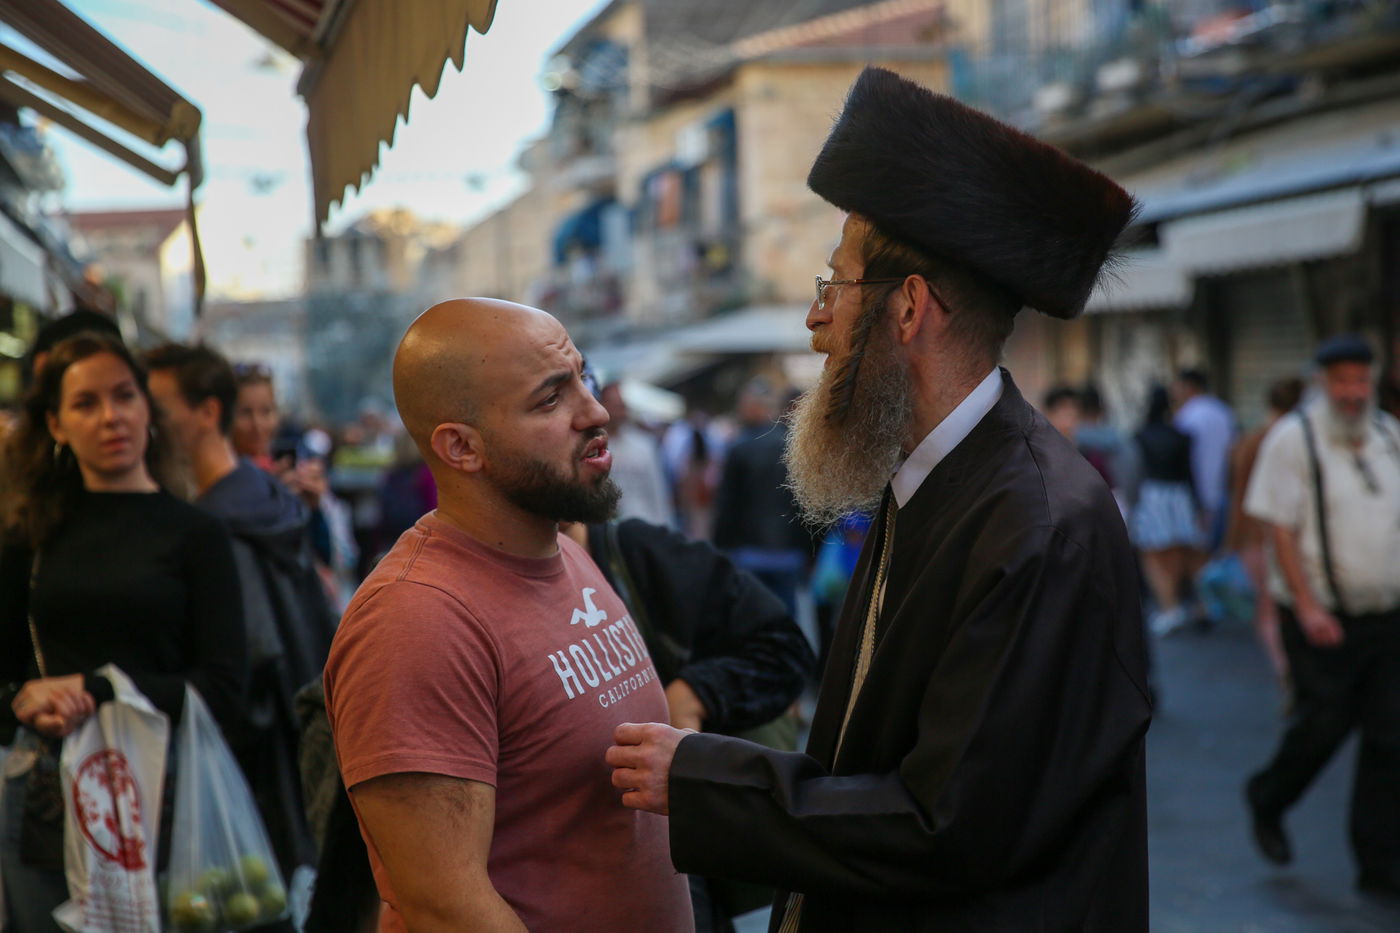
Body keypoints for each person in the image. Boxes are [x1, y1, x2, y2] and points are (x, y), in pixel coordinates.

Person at [607, 66, 1151, 931]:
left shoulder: (1038, 524)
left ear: (907, 308)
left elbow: (949, 826)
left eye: (835, 285)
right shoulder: (937, 477)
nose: (815, 321)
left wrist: (702, 776)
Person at [323, 298, 692, 932]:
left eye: (582, 377)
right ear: (461, 447)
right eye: (550, 399)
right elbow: (445, 906)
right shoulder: (415, 620)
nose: (595, 412)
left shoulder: (565, 552)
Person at [0, 331, 245, 931]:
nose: (111, 416)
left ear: (147, 409)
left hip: (170, 798)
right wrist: (24, 700)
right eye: (86, 403)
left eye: (124, 395)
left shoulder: (197, 535)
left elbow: (223, 686)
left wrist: (98, 689)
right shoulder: (29, 538)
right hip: (48, 798)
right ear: (55, 425)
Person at [144, 342, 337, 878]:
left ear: (208, 412)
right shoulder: (267, 497)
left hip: (251, 778)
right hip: (300, 756)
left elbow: (249, 668)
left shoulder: (216, 526)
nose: (142, 421)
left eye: (156, 408)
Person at [1243, 335, 1400, 895]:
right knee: (1323, 728)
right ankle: (1268, 797)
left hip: (1386, 616)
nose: (1353, 392)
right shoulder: (1294, 438)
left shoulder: (1388, 435)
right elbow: (1279, 529)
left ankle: (1379, 865)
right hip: (1321, 617)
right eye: (1342, 381)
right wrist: (1307, 605)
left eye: (1361, 380)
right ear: (1322, 383)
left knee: (1390, 739)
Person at [1223, 376, 1304, 689]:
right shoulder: (1298, 438)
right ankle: (1290, 668)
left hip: (1256, 535)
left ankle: (1285, 669)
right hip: (1289, 535)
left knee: (1267, 608)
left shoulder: (1255, 439)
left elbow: (1237, 495)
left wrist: (1231, 542)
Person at [711, 377, 811, 614]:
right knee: (786, 616)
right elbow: (804, 502)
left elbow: (727, 504)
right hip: (786, 551)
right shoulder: (791, 445)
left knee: (752, 616)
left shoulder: (740, 447)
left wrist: (720, 547)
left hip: (749, 551)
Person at [1130, 385, 1204, 637]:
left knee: (1152, 556)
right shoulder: (1182, 436)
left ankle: (1169, 607)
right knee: (1177, 554)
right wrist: (1198, 505)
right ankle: (1184, 606)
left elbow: (1134, 471)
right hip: (1180, 496)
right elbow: (1190, 473)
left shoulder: (1141, 435)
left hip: (1153, 495)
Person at [1172, 367, 1236, 555]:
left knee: (1198, 552)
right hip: (1223, 492)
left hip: (1198, 494)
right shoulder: (1223, 412)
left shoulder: (1186, 416)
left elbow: (1183, 459)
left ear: (1189, 387)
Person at [598, 378, 674, 527]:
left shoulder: (644, 445)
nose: (620, 410)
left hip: (645, 524)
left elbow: (657, 491)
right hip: (610, 529)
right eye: (615, 405)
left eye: (622, 405)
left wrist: (663, 525)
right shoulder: (594, 447)